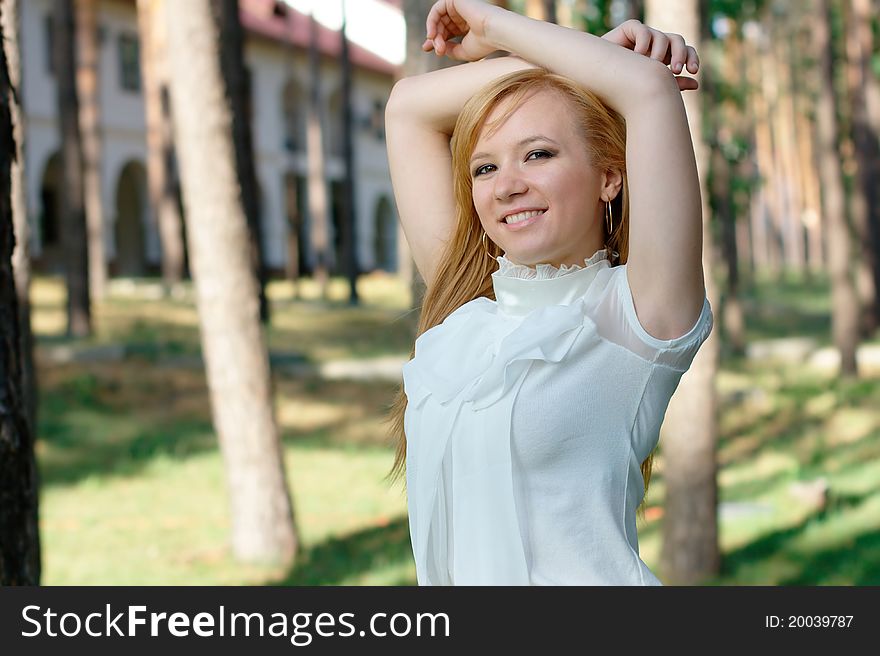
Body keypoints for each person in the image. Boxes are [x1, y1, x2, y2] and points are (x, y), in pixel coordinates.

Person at [383, 0, 714, 585]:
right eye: (484, 169)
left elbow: (646, 90)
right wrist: (590, 60)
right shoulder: (464, 317)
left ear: (609, 176)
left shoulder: (637, 317)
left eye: (538, 154)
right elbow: (408, 108)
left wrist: (493, 28)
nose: (508, 186)